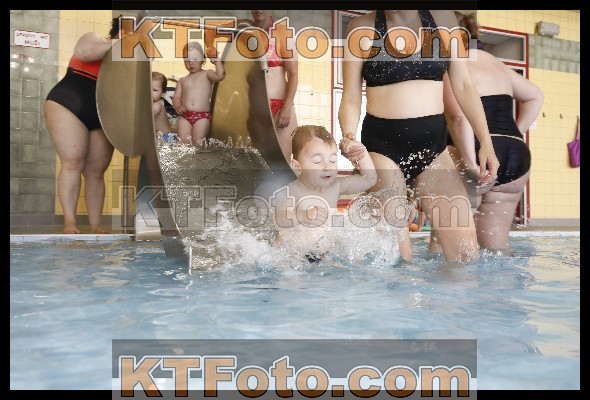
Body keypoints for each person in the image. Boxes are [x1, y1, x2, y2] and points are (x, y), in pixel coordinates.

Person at [338, 10, 500, 262]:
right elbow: (350, 96)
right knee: (397, 256)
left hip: (433, 150)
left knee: (465, 254)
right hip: (382, 149)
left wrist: (486, 142)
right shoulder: (362, 28)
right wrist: (349, 135)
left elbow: (464, 85)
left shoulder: (443, 21)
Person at [439, 13, 544, 255]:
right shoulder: (496, 64)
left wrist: (469, 161)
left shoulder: (452, 63)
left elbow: (458, 117)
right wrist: (516, 132)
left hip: (475, 151)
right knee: (496, 250)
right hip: (515, 153)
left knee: (452, 246)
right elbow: (536, 95)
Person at [44, 17, 129, 234]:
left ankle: (96, 226)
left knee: (96, 172)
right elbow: (84, 53)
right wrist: (120, 42)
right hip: (68, 103)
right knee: (72, 161)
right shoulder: (95, 39)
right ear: (119, 31)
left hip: (102, 113)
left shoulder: (130, 62)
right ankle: (70, 223)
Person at [273, 125, 377, 261]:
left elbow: (369, 179)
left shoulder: (336, 186)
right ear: (298, 167)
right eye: (317, 161)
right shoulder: (292, 190)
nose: (327, 167)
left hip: (327, 254)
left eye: (332, 160)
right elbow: (278, 219)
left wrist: (361, 153)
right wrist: (303, 215)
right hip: (296, 255)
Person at [249, 10, 299, 161]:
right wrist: (212, 51)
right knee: (259, 164)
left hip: (280, 106)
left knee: (283, 163)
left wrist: (287, 108)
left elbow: (293, 73)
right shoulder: (246, 32)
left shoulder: (282, 33)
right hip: (256, 108)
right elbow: (212, 32)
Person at [172, 41, 226, 146]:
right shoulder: (183, 80)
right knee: (183, 142)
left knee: (198, 141)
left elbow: (220, 75)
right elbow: (176, 97)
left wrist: (216, 60)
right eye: (187, 60)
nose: (191, 63)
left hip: (202, 117)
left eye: (195, 59)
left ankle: (199, 156)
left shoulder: (207, 74)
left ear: (203, 60)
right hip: (185, 116)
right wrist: (177, 105)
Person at [151, 71, 176, 143]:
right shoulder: (150, 104)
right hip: (160, 136)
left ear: (163, 93)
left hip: (167, 137)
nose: (150, 92)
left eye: (155, 90)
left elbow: (145, 119)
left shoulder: (157, 105)